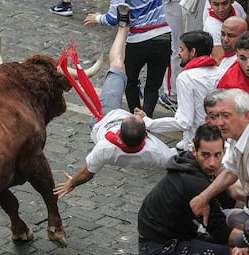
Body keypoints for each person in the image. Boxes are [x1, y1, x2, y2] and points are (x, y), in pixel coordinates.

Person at [53, 4, 177, 199]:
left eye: (132, 117)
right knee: (139, 78)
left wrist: (71, 183)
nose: (136, 114)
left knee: (118, 67)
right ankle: (123, 28)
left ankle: (123, 27)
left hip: (104, 115)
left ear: (119, 128)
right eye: (138, 116)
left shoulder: (104, 148)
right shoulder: (157, 151)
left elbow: (86, 173)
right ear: (147, 136)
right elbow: (176, 163)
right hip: (161, 39)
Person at [138, 123, 249, 255]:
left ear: (224, 151)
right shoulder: (194, 182)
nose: (212, 163)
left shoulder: (188, 163)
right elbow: (220, 231)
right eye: (205, 155)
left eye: (217, 155)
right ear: (194, 151)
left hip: (177, 235)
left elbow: (228, 201)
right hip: (161, 247)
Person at [135, 30, 223, 151]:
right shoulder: (221, 73)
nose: (179, 54)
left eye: (182, 49)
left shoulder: (186, 78)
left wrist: (148, 123)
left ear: (193, 52)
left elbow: (184, 121)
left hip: (198, 144)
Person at [83, 0, 172, 118]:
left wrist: (97, 18)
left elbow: (113, 18)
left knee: (129, 81)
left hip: (138, 41)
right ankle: (146, 118)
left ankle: (135, 116)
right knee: (153, 86)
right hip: (163, 37)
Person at [189, 89, 249, 228]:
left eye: (226, 116)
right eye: (216, 116)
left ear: (246, 116)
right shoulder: (236, 137)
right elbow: (230, 171)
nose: (220, 123)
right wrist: (203, 197)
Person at [203, 0, 247, 64]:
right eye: (216, 4)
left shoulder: (237, 7)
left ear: (232, 1)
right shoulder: (212, 28)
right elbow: (220, 61)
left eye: (224, 3)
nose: (221, 9)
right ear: (210, 3)